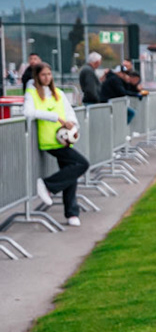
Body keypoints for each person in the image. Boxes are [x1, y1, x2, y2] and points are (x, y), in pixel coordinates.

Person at [23, 64, 86, 226]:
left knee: (71, 173)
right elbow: (28, 112)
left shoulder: (59, 93)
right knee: (82, 164)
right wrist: (55, 117)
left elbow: (69, 112)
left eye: (49, 74)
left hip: (64, 139)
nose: (47, 77)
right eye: (43, 75)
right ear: (37, 76)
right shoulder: (32, 93)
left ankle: (72, 213)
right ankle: (47, 185)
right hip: (50, 140)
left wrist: (72, 124)